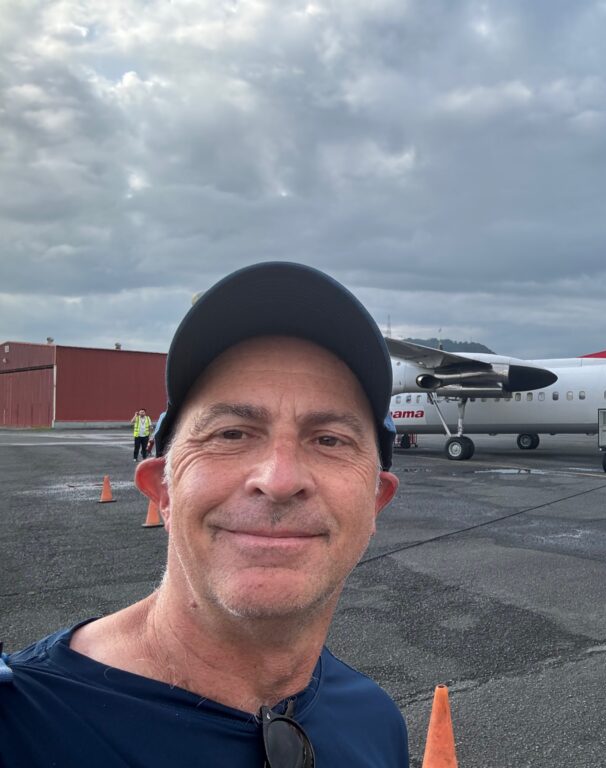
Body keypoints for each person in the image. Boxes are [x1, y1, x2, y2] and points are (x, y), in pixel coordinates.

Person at [0, 263, 407, 767]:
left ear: (375, 503)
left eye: (329, 440)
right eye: (231, 434)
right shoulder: (19, 730)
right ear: (162, 490)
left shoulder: (377, 724)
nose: (279, 480)